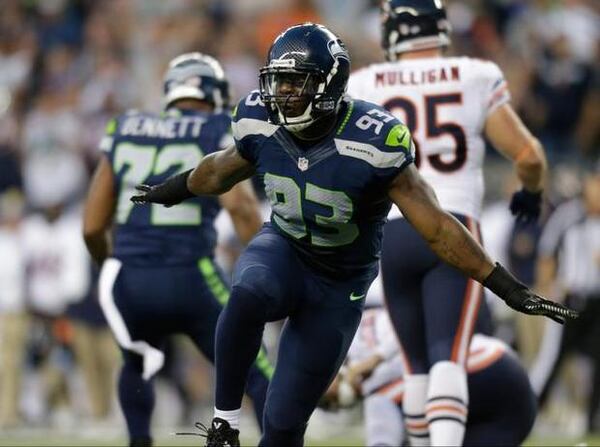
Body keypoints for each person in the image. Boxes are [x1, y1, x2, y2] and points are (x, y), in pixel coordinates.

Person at [130, 24, 576, 447]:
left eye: (295, 82)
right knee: (248, 289)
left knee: (283, 426)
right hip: (284, 249)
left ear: (328, 84)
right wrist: (170, 190)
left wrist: (506, 288)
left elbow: (439, 230)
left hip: (338, 285)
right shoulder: (260, 121)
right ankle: (224, 423)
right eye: (278, 81)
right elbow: (217, 171)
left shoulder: (374, 141)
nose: (282, 93)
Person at [345, 1, 550, 444]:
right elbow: (529, 155)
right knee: (447, 357)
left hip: (394, 231)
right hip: (455, 227)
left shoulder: (364, 83)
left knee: (416, 366)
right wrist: (530, 194)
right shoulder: (474, 75)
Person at [82, 52, 271, 447]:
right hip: (191, 273)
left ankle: (139, 441)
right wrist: (273, 262)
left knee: (137, 363)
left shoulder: (127, 125)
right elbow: (239, 206)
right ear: (215, 93)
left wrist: (112, 265)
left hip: (130, 276)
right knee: (250, 365)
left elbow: (92, 226)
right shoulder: (218, 126)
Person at [323, 307, 537, 446]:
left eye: (328, 396)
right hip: (506, 414)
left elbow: (413, 325)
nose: (336, 398)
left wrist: (376, 358)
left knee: (395, 396)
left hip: (492, 368)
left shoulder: (359, 335)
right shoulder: (373, 394)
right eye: (330, 403)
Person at [530, 162, 600, 434]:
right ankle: (532, 411)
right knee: (551, 358)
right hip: (570, 298)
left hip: (598, 301)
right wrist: (547, 293)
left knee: (598, 363)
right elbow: (547, 253)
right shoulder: (571, 215)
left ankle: (591, 422)